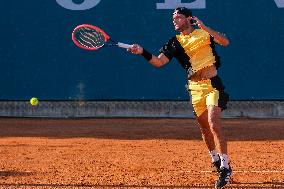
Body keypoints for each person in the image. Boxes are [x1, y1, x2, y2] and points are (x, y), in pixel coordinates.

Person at [128, 7, 232, 188]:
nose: (174, 21)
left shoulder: (203, 34)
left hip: (212, 84)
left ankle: (225, 167)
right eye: (173, 18)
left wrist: (205, 27)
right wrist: (142, 52)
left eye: (178, 17)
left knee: (214, 124)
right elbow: (159, 62)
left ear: (188, 19)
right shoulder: (175, 42)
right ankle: (215, 159)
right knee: (205, 129)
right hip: (195, 88)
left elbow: (225, 42)